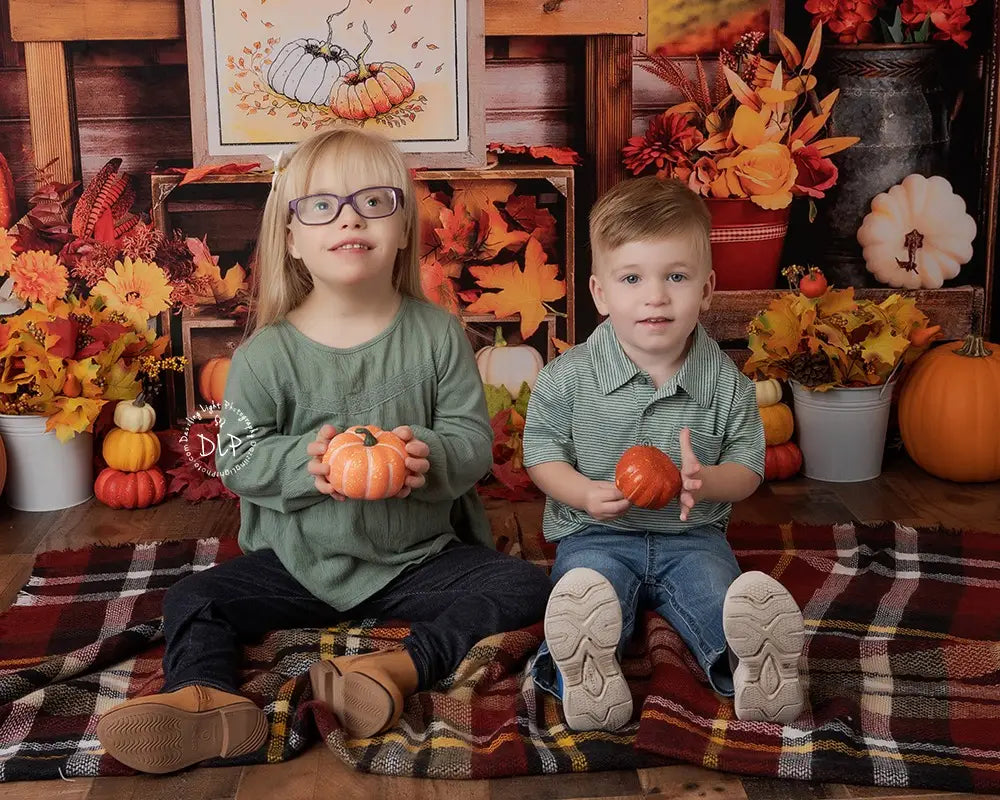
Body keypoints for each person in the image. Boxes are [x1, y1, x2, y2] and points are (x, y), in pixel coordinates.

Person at [96, 128, 551, 774]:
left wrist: (427, 456)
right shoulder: (266, 355)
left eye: (373, 203)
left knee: (522, 586)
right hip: (297, 563)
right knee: (191, 600)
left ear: (402, 230)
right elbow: (240, 458)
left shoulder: (437, 336)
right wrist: (302, 466)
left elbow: (473, 443)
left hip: (414, 560)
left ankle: (399, 668)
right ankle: (208, 702)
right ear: (291, 238)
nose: (348, 218)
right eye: (323, 205)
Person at [522, 176, 805, 732]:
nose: (655, 295)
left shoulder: (727, 383)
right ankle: (583, 674)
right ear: (601, 293)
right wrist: (582, 493)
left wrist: (705, 481)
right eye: (633, 278)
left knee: (717, 597)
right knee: (586, 592)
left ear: (706, 288)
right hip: (595, 532)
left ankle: (753, 670)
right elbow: (542, 456)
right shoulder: (567, 377)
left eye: (676, 276)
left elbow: (748, 469)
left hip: (692, 537)